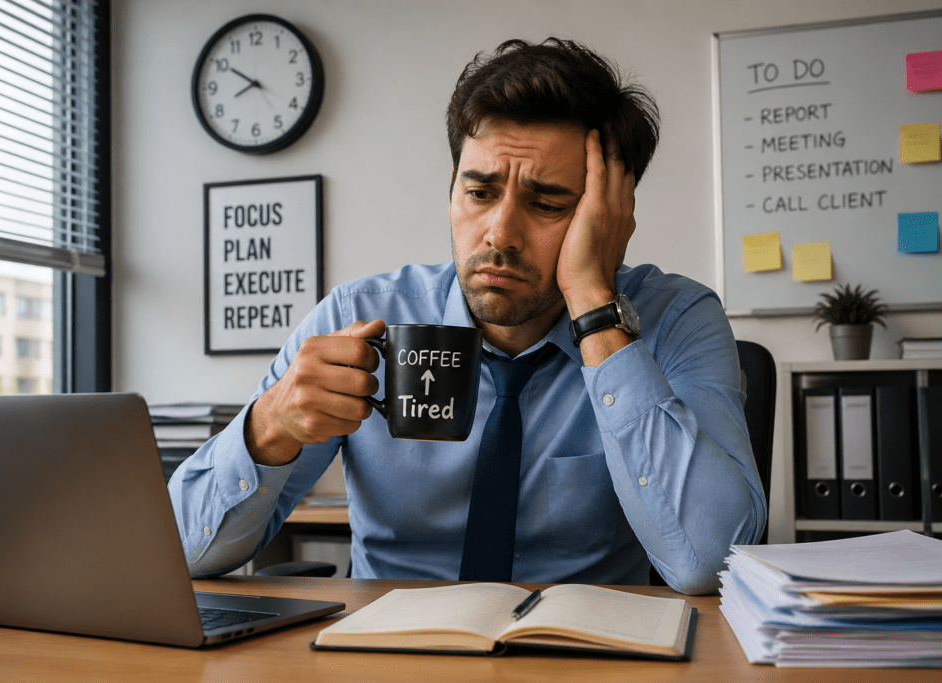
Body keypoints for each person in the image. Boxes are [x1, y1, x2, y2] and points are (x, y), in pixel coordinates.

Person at [169, 38, 766, 595]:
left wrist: (592, 300)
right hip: (388, 654)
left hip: (584, 659)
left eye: (548, 204)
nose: (500, 234)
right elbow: (182, 554)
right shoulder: (360, 315)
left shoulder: (677, 319)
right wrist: (269, 426)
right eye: (479, 193)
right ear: (452, 188)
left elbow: (710, 564)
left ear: (611, 212)